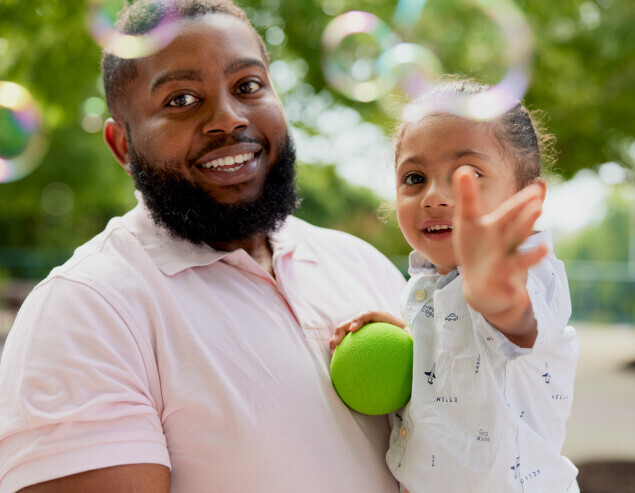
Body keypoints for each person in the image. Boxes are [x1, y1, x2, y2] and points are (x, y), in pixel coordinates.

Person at [0, 1, 407, 492]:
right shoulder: (87, 307)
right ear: (122, 147)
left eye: (248, 86)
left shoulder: (360, 262)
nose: (228, 119)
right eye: (180, 100)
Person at [331, 79, 580, 492]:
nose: (434, 196)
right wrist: (407, 335)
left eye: (467, 174)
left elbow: (516, 323)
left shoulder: (523, 270)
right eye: (414, 178)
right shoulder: (425, 284)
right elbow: (460, 363)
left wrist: (494, 296)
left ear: (525, 199)